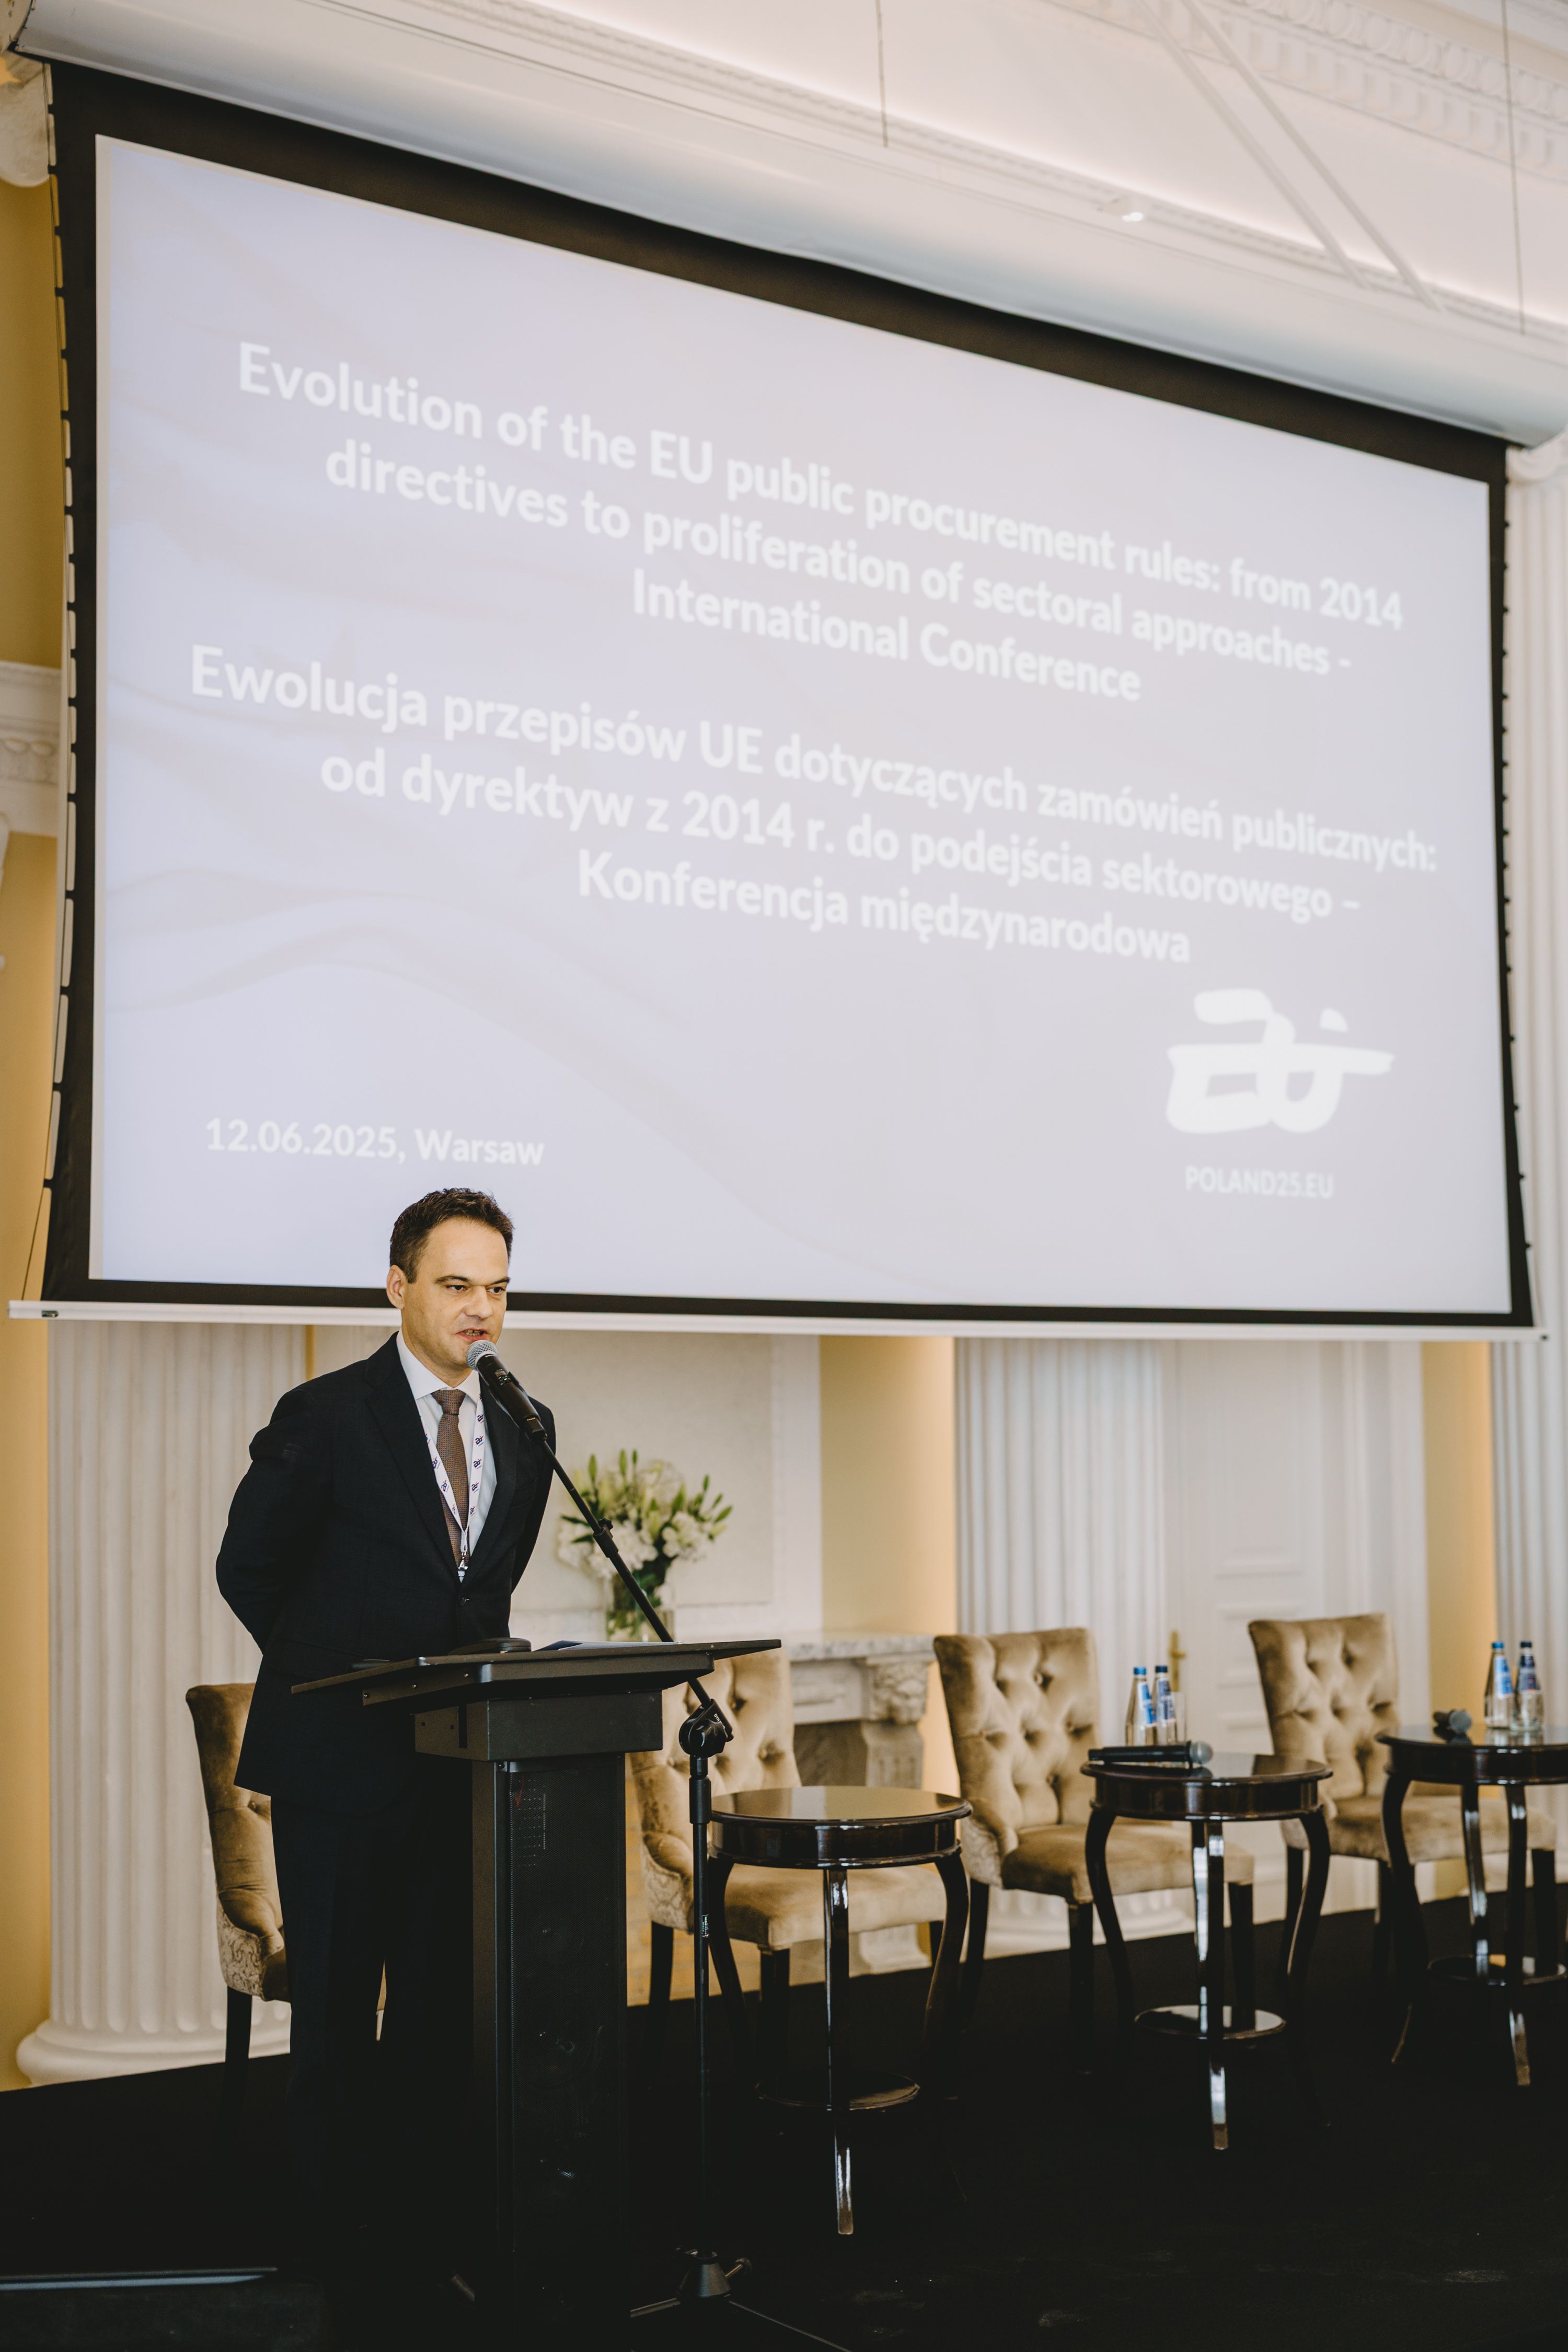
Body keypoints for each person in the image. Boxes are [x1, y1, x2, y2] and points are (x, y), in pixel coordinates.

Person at [216, 1188, 554, 2288]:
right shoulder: (326, 1414)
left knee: (437, 2023)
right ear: (399, 1286)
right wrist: (337, 1673)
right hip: (340, 1766)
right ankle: (333, 2255)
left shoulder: (526, 1424)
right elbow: (248, 1567)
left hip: (460, 1766)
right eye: (456, 1285)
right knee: (335, 2027)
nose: (480, 1309)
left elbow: (483, 1586)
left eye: (497, 1288)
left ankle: (419, 2241)